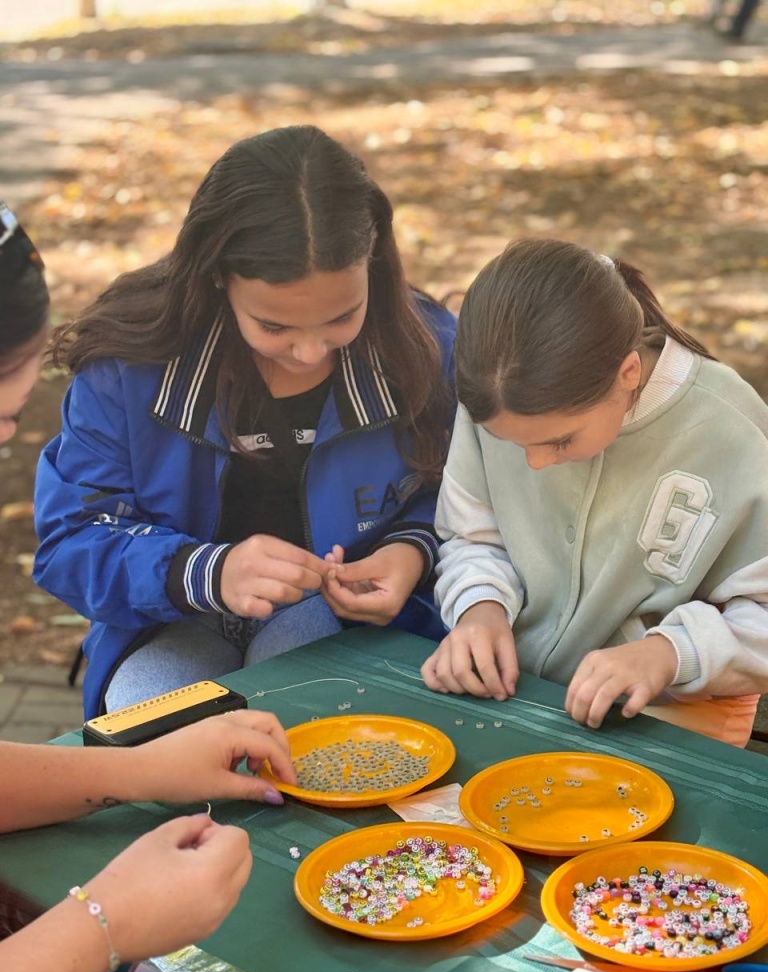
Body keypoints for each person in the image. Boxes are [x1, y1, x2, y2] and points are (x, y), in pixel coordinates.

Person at [33, 125, 456, 721]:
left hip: (332, 615)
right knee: (147, 726)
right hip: (171, 619)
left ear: (374, 263)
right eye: (274, 326)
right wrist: (207, 571)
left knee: (311, 718)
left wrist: (413, 550)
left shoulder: (428, 350)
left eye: (342, 317)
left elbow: (467, 496)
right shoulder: (126, 365)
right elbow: (71, 540)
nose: (311, 352)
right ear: (215, 277)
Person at [0, 200, 298, 972]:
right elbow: (74, 544)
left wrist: (137, 771)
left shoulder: (413, 351)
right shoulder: (128, 372)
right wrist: (104, 924)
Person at [421, 238, 768, 747]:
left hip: (672, 731)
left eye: (560, 441)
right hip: (520, 706)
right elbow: (473, 537)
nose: (536, 463)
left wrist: (667, 654)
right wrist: (479, 609)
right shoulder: (498, 398)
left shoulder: (730, 429)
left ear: (628, 373)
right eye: (510, 444)